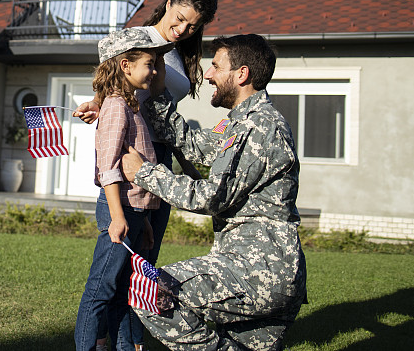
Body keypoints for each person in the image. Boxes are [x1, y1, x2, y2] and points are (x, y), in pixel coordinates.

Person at [121, 34, 307, 350]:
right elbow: (193, 144)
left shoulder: (258, 127)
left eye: (216, 67)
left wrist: (144, 174)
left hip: (257, 271)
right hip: (260, 270)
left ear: (242, 74)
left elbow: (210, 196)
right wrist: (158, 92)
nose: (207, 74)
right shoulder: (241, 123)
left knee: (149, 291)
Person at [75, 0, 218, 350]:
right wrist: (98, 105)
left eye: (194, 26)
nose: (185, 29)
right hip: (129, 158)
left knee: (144, 264)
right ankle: (105, 337)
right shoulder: (135, 41)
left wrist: (188, 165)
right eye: (182, 18)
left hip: (160, 161)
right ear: (169, 3)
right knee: (115, 267)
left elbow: (168, 118)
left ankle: (131, 342)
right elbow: (108, 87)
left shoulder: (178, 54)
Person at [75, 28, 171, 351]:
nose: (155, 71)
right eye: (150, 64)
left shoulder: (130, 106)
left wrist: (141, 217)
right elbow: (109, 167)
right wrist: (119, 216)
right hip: (119, 210)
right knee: (100, 288)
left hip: (132, 211)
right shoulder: (116, 106)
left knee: (121, 289)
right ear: (126, 66)